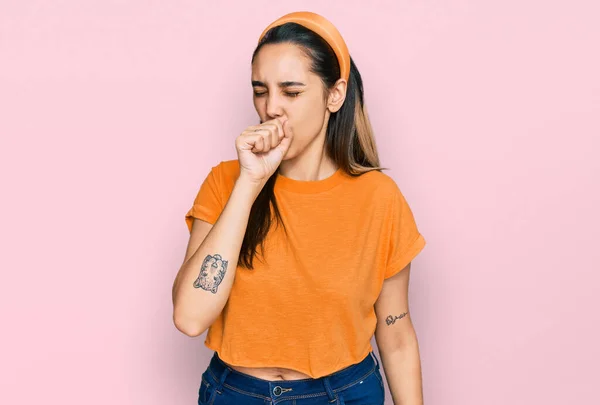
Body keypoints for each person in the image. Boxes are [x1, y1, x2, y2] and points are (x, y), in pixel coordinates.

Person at [172, 11, 427, 405]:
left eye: (291, 92)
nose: (272, 108)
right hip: (237, 394)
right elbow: (190, 317)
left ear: (334, 94)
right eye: (260, 90)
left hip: (344, 394)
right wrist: (249, 183)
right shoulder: (227, 183)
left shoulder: (379, 197)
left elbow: (396, 335)